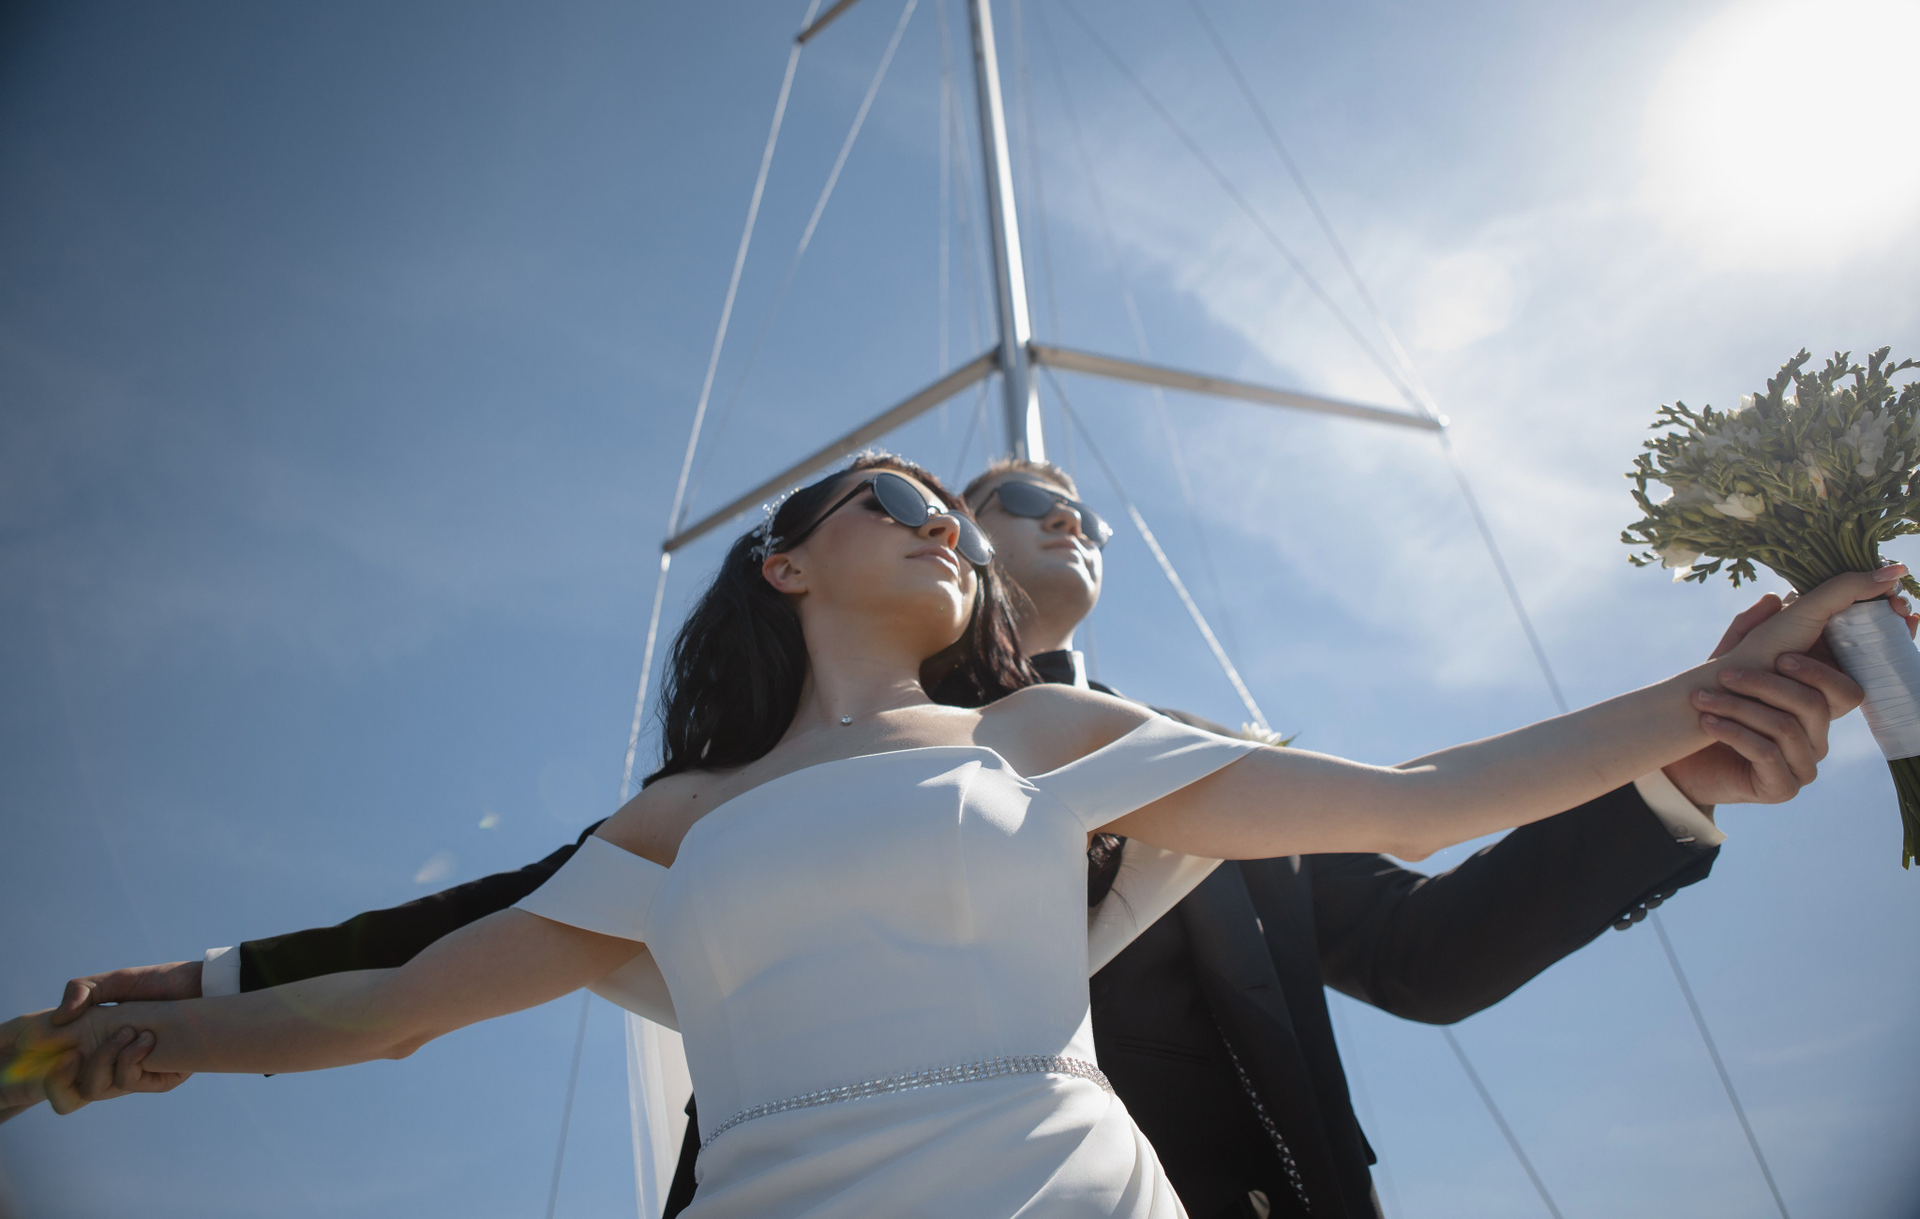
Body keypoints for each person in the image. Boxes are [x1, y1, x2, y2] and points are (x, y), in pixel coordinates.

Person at [2, 453, 1875, 1219]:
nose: (969, 534)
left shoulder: (1077, 741)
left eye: (991, 523)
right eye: (928, 501)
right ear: (786, 563)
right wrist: (170, 1025)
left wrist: (1706, 710)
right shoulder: (679, 819)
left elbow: (1420, 818)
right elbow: (412, 986)